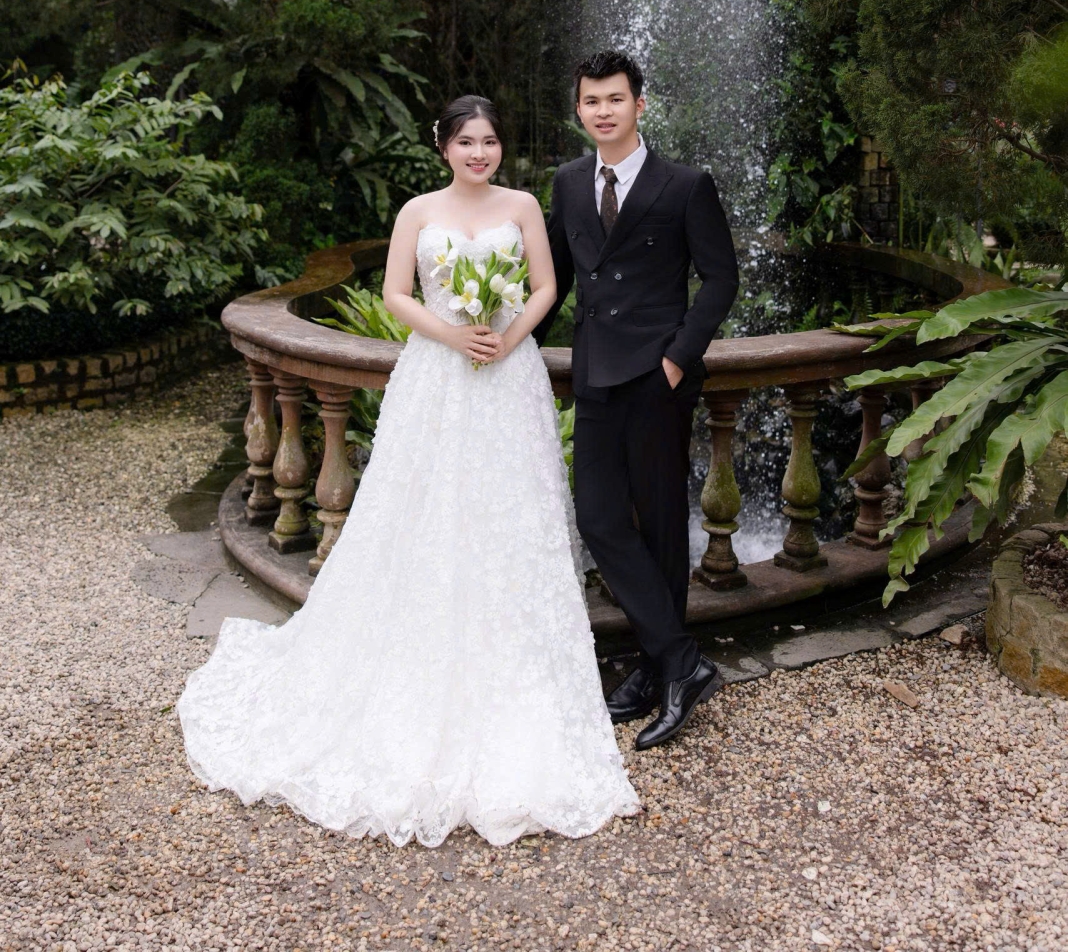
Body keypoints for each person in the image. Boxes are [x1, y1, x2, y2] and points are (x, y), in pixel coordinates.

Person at [177, 95, 639, 848]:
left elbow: (548, 287)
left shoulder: (523, 206)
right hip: (438, 374)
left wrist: (509, 336)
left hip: (509, 376)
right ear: (444, 147)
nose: (479, 153)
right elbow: (397, 293)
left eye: (489, 141)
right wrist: (454, 336)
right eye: (466, 142)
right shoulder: (417, 211)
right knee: (422, 512)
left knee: (509, 515)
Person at [536, 51, 739, 750]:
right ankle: (680, 662)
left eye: (615, 99)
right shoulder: (568, 183)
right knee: (598, 519)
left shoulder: (685, 185)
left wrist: (678, 359)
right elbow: (556, 279)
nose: (603, 111)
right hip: (595, 375)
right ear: (579, 109)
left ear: (639, 105)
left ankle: (658, 671)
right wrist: (508, 339)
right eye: (591, 101)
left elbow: (720, 279)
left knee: (659, 527)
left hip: (657, 380)